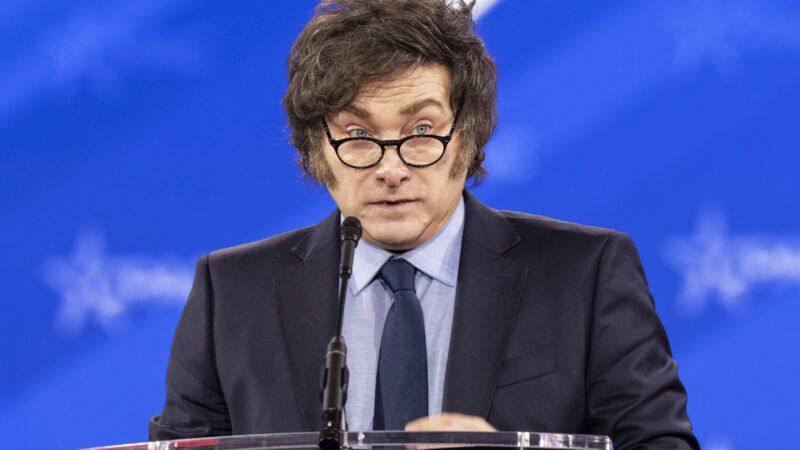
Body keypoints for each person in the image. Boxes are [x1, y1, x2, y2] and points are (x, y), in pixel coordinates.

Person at [150, 1, 699, 448]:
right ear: (317, 149)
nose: (391, 168)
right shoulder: (232, 292)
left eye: (421, 130)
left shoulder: (585, 274)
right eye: (358, 135)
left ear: (469, 137)